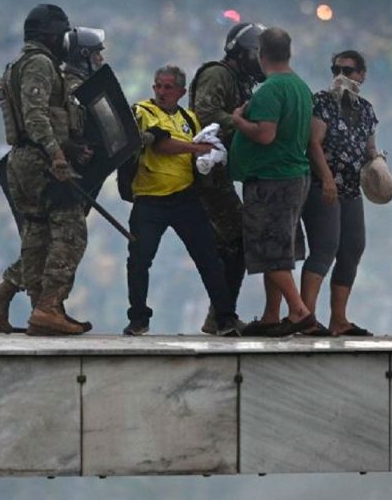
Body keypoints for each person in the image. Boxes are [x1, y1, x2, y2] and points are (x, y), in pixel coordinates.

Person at [0, 22, 103, 335]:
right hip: (44, 163)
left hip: (24, 162)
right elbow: (44, 120)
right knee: (71, 233)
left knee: (39, 235)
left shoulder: (39, 72)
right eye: (97, 54)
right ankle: (47, 307)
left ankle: (6, 296)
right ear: (84, 55)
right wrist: (61, 152)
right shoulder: (69, 83)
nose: (101, 60)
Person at [124, 65, 242, 337]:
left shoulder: (189, 118)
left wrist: (209, 156)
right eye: (158, 86)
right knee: (139, 260)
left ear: (181, 92)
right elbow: (160, 145)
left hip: (185, 197)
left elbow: (204, 143)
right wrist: (195, 148)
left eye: (168, 87)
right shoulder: (143, 111)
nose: (162, 92)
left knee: (208, 258)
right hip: (149, 199)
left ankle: (225, 318)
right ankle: (138, 318)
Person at [229, 27, 314, 337]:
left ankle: (298, 310)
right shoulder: (301, 87)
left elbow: (266, 134)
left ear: (261, 56)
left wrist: (239, 122)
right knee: (279, 246)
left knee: (268, 248)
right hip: (294, 176)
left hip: (271, 179)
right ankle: (270, 315)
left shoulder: (270, 89)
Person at [189, 22, 266, 334]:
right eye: (258, 53)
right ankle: (222, 316)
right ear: (243, 52)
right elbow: (204, 114)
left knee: (233, 243)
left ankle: (220, 314)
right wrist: (242, 123)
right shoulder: (218, 75)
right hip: (207, 173)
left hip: (220, 172)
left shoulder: (240, 80)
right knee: (236, 238)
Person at [300, 50, 379, 336]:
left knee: (352, 248)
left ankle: (339, 319)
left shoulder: (366, 110)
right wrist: (327, 178)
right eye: (336, 70)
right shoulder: (322, 102)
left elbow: (369, 149)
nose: (341, 76)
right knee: (324, 248)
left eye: (347, 70)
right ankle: (305, 317)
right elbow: (314, 142)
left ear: (361, 74)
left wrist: (379, 167)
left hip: (351, 188)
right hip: (324, 187)